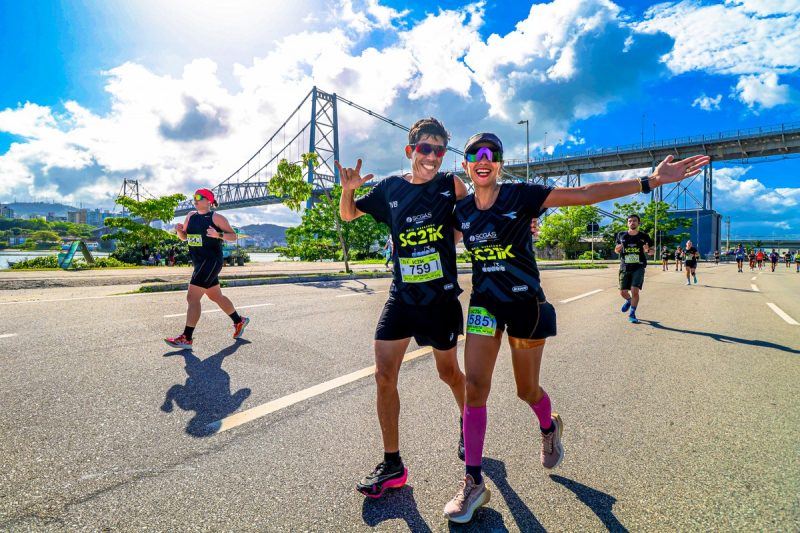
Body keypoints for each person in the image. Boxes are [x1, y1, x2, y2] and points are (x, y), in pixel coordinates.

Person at [442, 131, 709, 523]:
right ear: (465, 164)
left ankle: (549, 427)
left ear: (499, 163)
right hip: (484, 304)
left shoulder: (522, 195)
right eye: (474, 154)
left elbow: (585, 194)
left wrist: (650, 181)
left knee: (526, 390)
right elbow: (435, 234)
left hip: (524, 305)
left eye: (492, 153)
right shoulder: (461, 210)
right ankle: (473, 482)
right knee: (475, 387)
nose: (483, 158)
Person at [337, 118, 470, 499]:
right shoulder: (390, 188)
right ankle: (392, 464)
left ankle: (467, 421)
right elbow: (349, 215)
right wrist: (348, 191)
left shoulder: (451, 184)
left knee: (449, 373)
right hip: (402, 297)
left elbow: (477, 214)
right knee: (384, 375)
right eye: (425, 148)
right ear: (410, 151)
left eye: (439, 150)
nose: (432, 156)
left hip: (440, 298)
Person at [164, 189, 250, 349]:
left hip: (211, 261)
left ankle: (187, 338)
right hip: (198, 261)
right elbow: (185, 237)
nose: (195, 200)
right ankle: (239, 321)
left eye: (199, 197)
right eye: (194, 197)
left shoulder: (216, 217)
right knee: (215, 296)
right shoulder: (191, 216)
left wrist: (218, 234)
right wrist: (178, 231)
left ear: (208, 200)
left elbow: (233, 236)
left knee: (192, 298)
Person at [615, 214, 653, 324]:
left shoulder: (644, 236)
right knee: (623, 292)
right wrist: (620, 247)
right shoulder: (621, 235)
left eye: (634, 221)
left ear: (638, 223)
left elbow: (652, 251)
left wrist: (647, 250)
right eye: (630, 221)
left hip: (639, 266)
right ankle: (629, 301)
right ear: (627, 223)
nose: (632, 222)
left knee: (634, 290)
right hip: (624, 267)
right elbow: (616, 250)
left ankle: (632, 313)